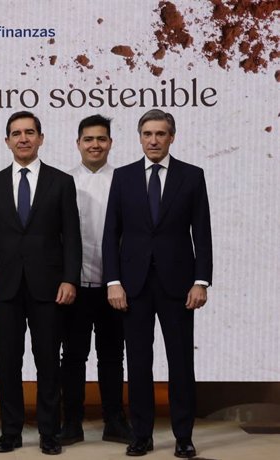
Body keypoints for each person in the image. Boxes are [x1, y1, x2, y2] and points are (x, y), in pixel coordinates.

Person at [102, 109, 212, 458]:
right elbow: (110, 234)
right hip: (133, 284)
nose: (153, 140)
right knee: (138, 362)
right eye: (147, 133)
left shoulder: (192, 176)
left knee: (181, 362)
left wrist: (202, 281)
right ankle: (142, 435)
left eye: (160, 134)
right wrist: (113, 281)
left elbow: (203, 233)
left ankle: (183, 436)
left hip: (179, 285)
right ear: (139, 137)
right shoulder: (123, 176)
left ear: (171, 137)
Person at [0, 111, 82, 455]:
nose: (23, 138)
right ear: (7, 141)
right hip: (4, 287)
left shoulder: (61, 182)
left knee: (48, 361)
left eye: (29, 132)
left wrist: (70, 278)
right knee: (8, 363)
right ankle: (11, 432)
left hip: (49, 287)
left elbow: (73, 237)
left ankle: (49, 433)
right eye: (16, 133)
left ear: (40, 138)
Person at [59, 115, 132, 446]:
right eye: (88, 139)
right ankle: (71, 422)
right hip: (74, 284)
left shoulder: (124, 180)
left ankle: (114, 420)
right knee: (73, 356)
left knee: (112, 355)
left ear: (110, 143)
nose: (95, 145)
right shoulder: (63, 182)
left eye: (101, 139)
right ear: (78, 143)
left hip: (114, 286)